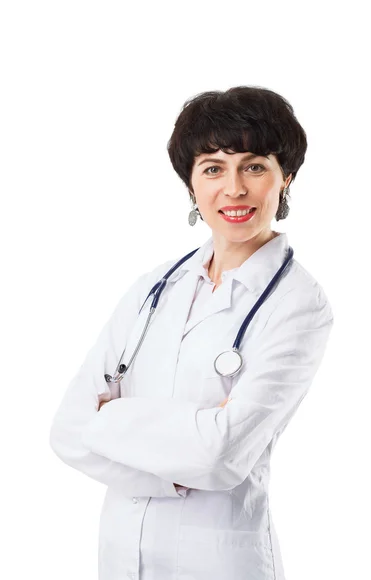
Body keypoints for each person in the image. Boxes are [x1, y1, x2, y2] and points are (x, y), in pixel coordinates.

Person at [49, 85, 334, 580]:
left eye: (254, 166)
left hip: (219, 561)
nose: (234, 188)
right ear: (190, 185)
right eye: (213, 168)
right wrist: (185, 448)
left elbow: (222, 457)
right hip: (121, 552)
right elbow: (69, 431)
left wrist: (112, 417)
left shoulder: (299, 304)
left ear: (285, 178)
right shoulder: (154, 287)